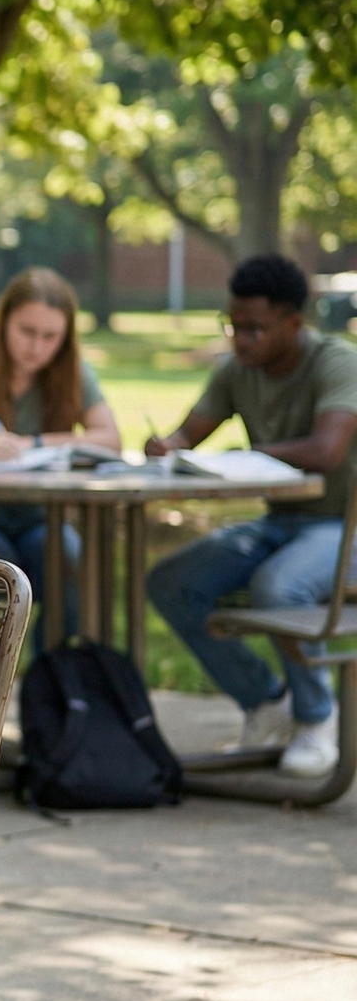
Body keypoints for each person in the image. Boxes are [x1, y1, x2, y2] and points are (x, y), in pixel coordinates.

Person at [146, 253, 357, 778]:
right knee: (172, 582)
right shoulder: (236, 370)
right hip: (279, 524)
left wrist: (245, 457)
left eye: (255, 329)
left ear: (293, 322)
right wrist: (165, 445)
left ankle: (316, 718)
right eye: (233, 326)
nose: (240, 340)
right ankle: (267, 702)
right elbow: (187, 437)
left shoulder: (337, 362)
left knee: (278, 587)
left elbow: (327, 451)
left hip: (342, 526)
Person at [0, 267, 121, 641]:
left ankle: (51, 682)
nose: (37, 347)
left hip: (42, 516)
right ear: (4, 322)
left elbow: (109, 440)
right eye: (27, 332)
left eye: (50, 337)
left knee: (69, 558)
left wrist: (37, 444)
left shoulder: (72, 372)